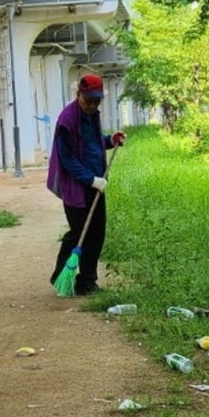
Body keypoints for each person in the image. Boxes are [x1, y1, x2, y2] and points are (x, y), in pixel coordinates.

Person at [47, 74, 125, 296]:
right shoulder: (68, 119)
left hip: (95, 184)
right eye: (88, 100)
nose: (92, 105)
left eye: (96, 101)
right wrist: (90, 179)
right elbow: (67, 157)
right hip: (77, 187)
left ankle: (87, 282)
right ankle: (61, 276)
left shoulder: (92, 116)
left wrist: (110, 140)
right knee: (79, 233)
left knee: (96, 234)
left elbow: (92, 143)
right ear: (78, 94)